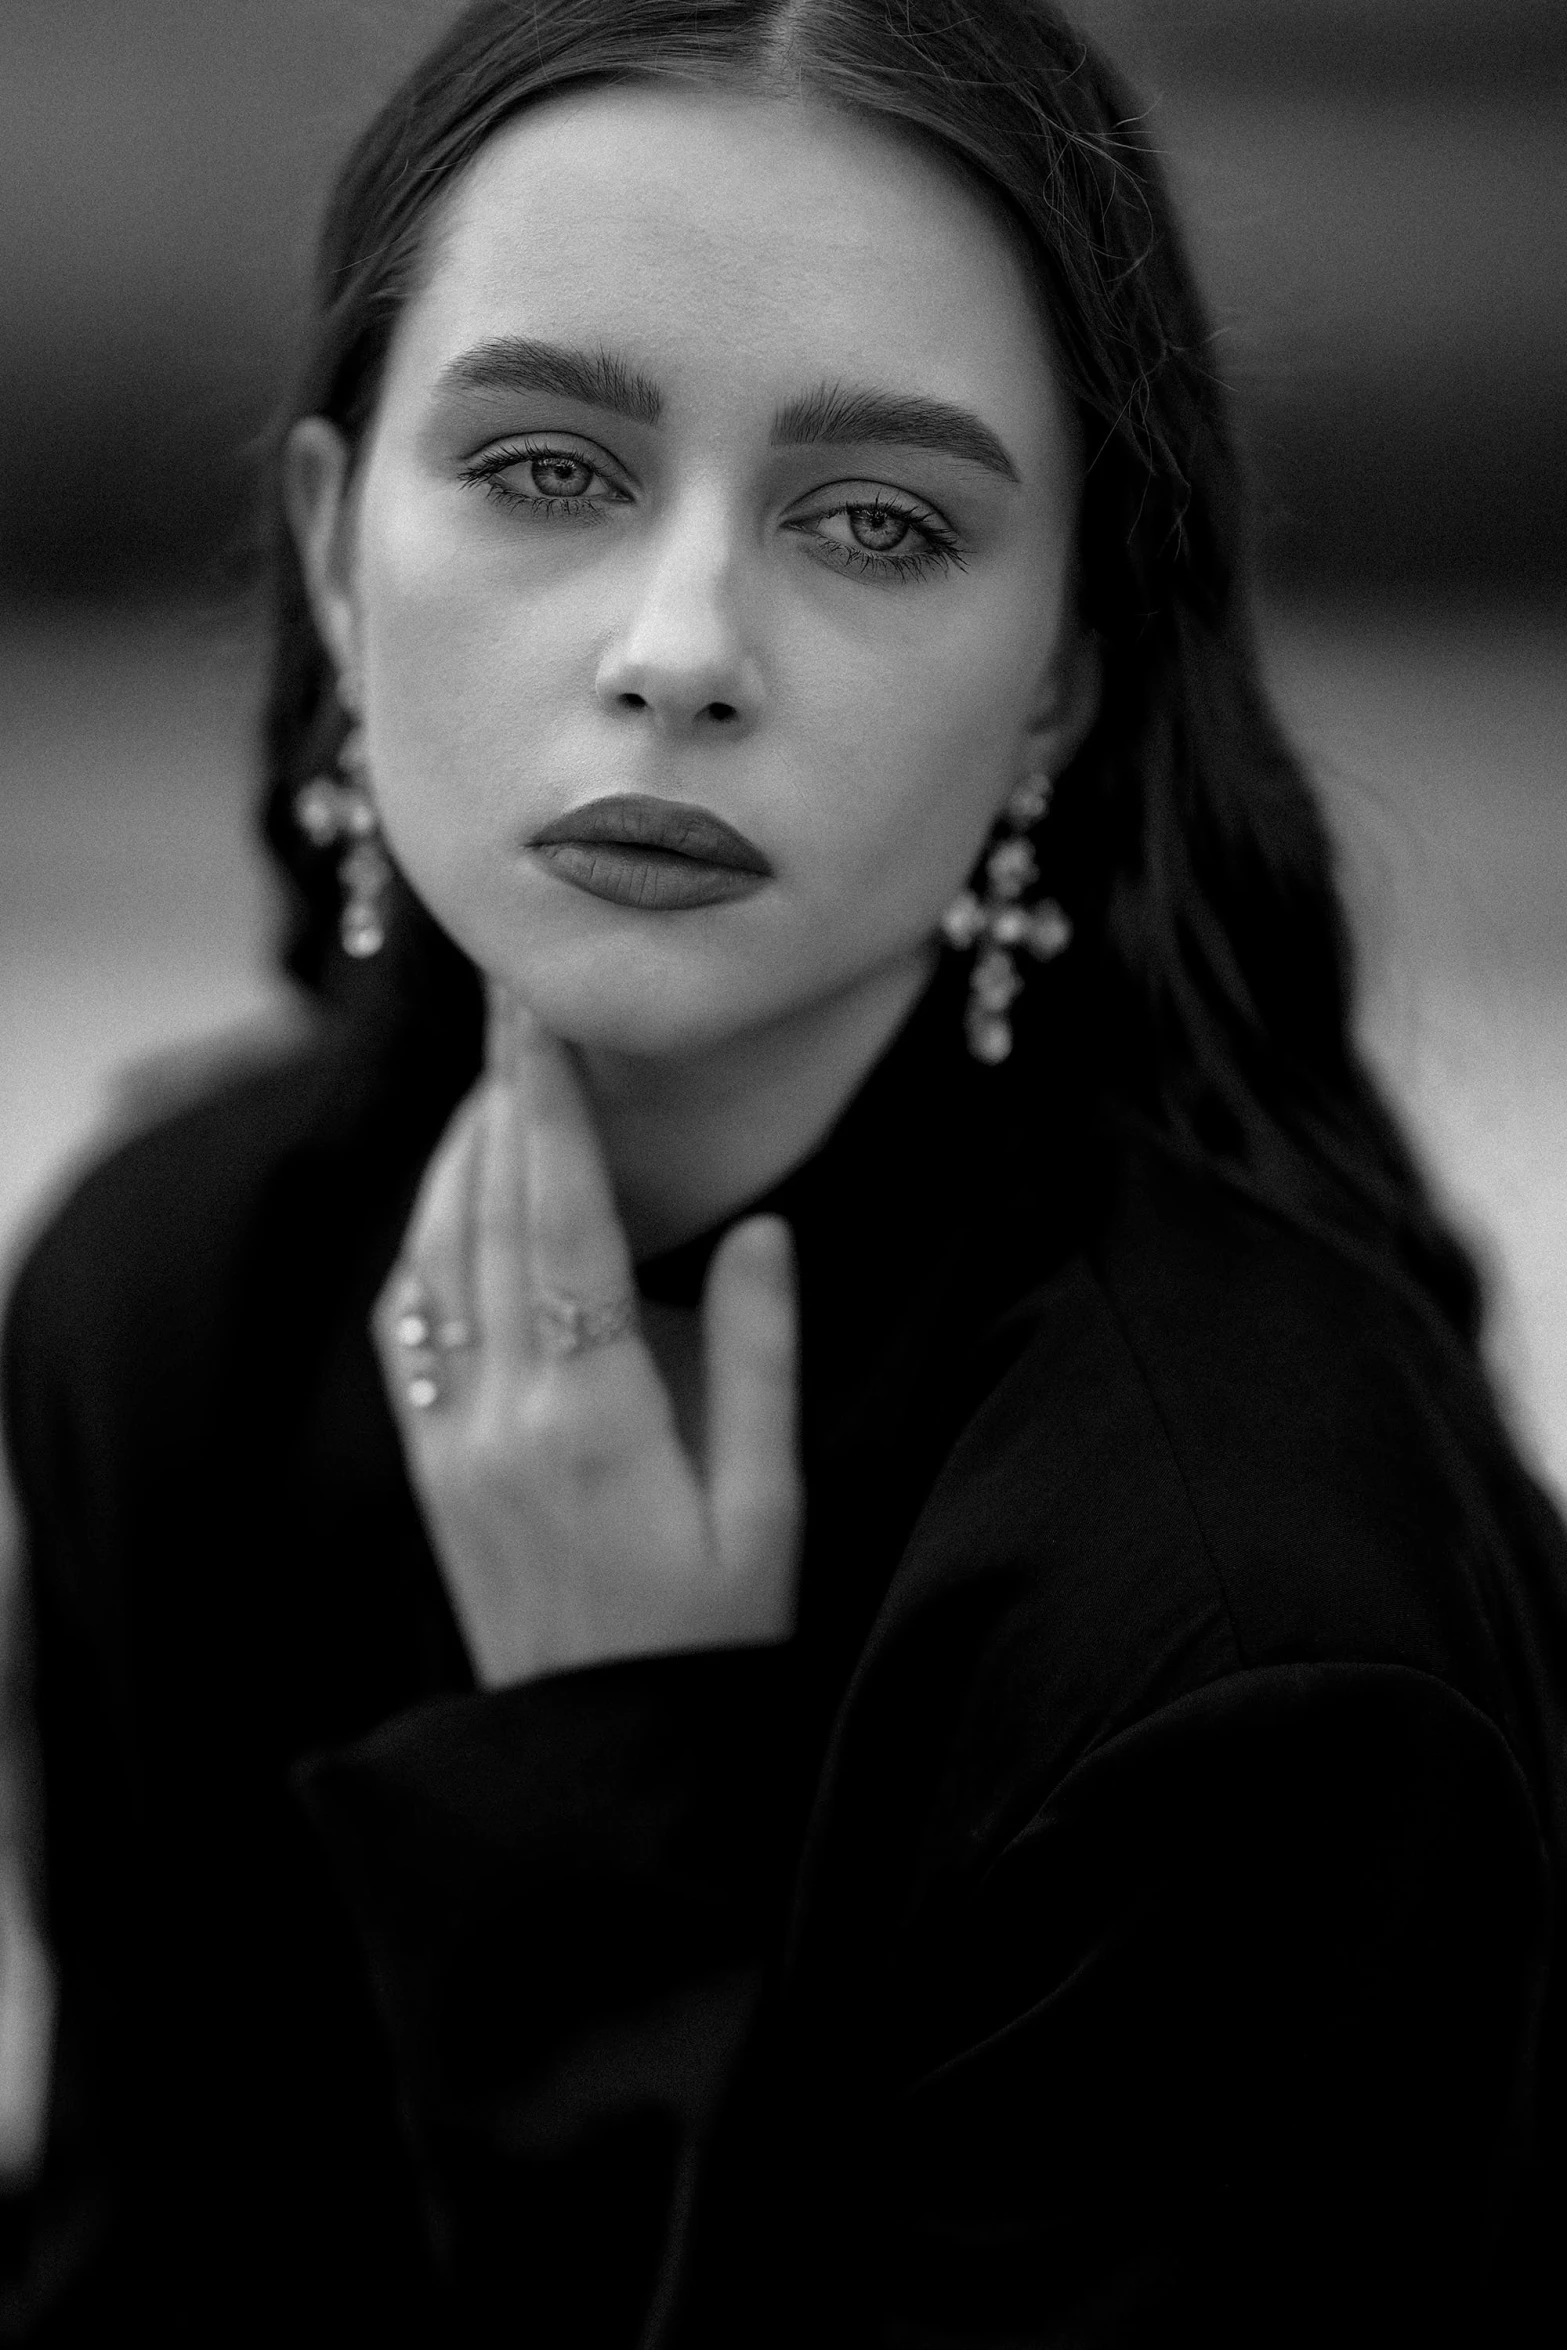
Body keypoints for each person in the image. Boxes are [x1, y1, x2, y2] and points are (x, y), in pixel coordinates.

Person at [1, 0, 1563, 2340]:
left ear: (1063, 676)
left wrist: (598, 1825)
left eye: (878, 521)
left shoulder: (1248, 1633)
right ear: (337, 558)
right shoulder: (168, 1297)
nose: (680, 647)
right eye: (545, 467)